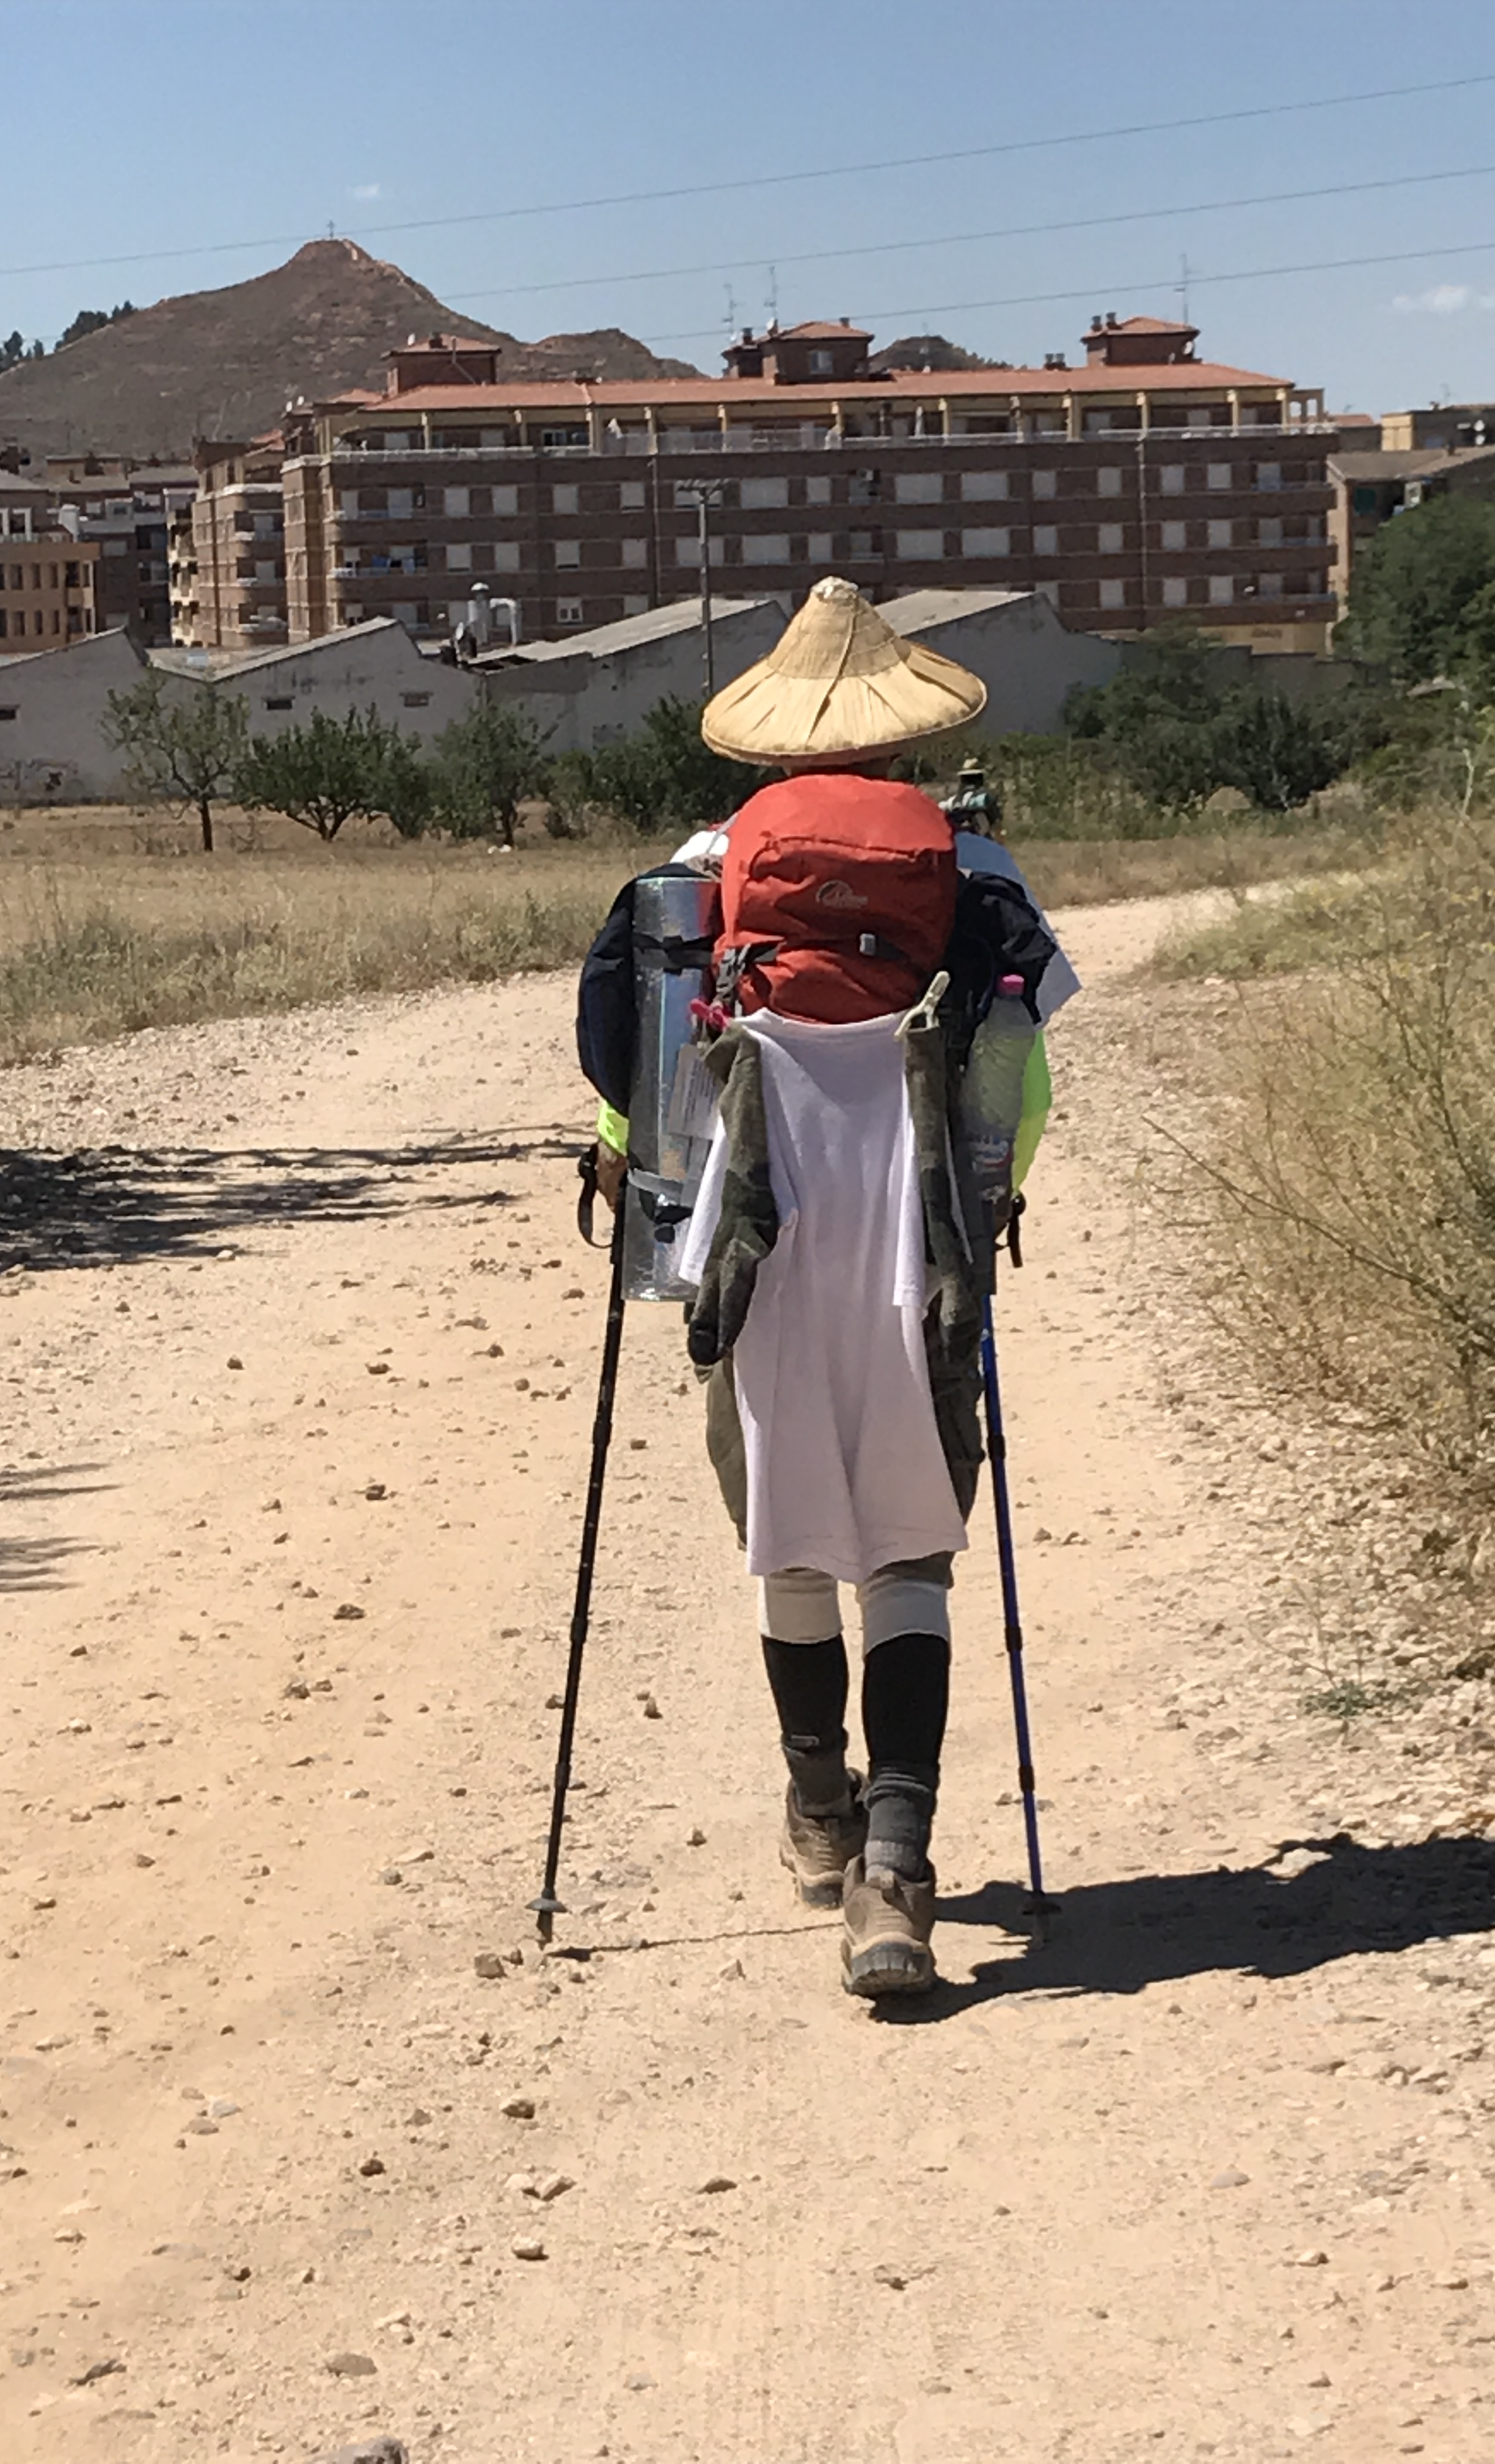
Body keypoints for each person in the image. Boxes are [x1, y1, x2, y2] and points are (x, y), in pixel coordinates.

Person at [586, 578, 1076, 1996]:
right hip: (915, 1243)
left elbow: (632, 1077)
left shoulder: (696, 872)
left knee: (789, 1531)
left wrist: (635, 1186)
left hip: (756, 1238)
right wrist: (983, 1204)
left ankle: (819, 1810)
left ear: (772, 741)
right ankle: (899, 1872)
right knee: (912, 1545)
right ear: (908, 734)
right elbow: (1025, 1080)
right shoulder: (976, 873)